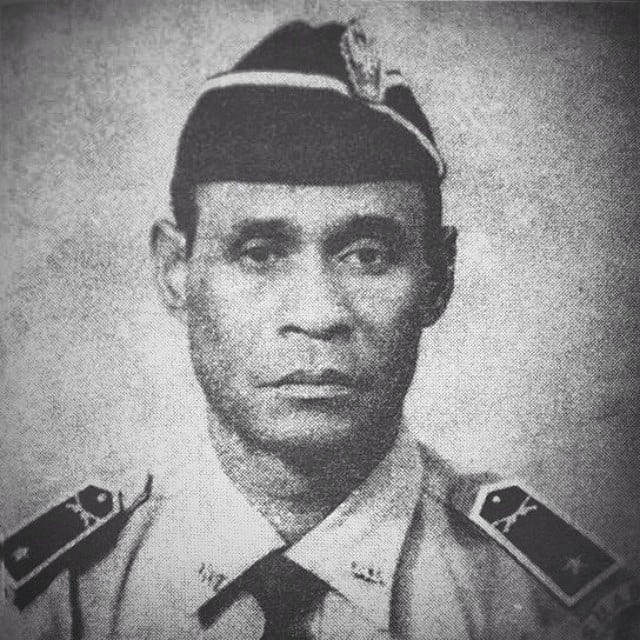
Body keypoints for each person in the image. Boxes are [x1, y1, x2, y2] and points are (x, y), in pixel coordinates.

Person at [1, 19, 638, 640]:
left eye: (368, 255)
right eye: (259, 253)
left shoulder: (560, 613)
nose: (317, 314)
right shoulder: (54, 600)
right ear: (175, 272)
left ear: (438, 278)